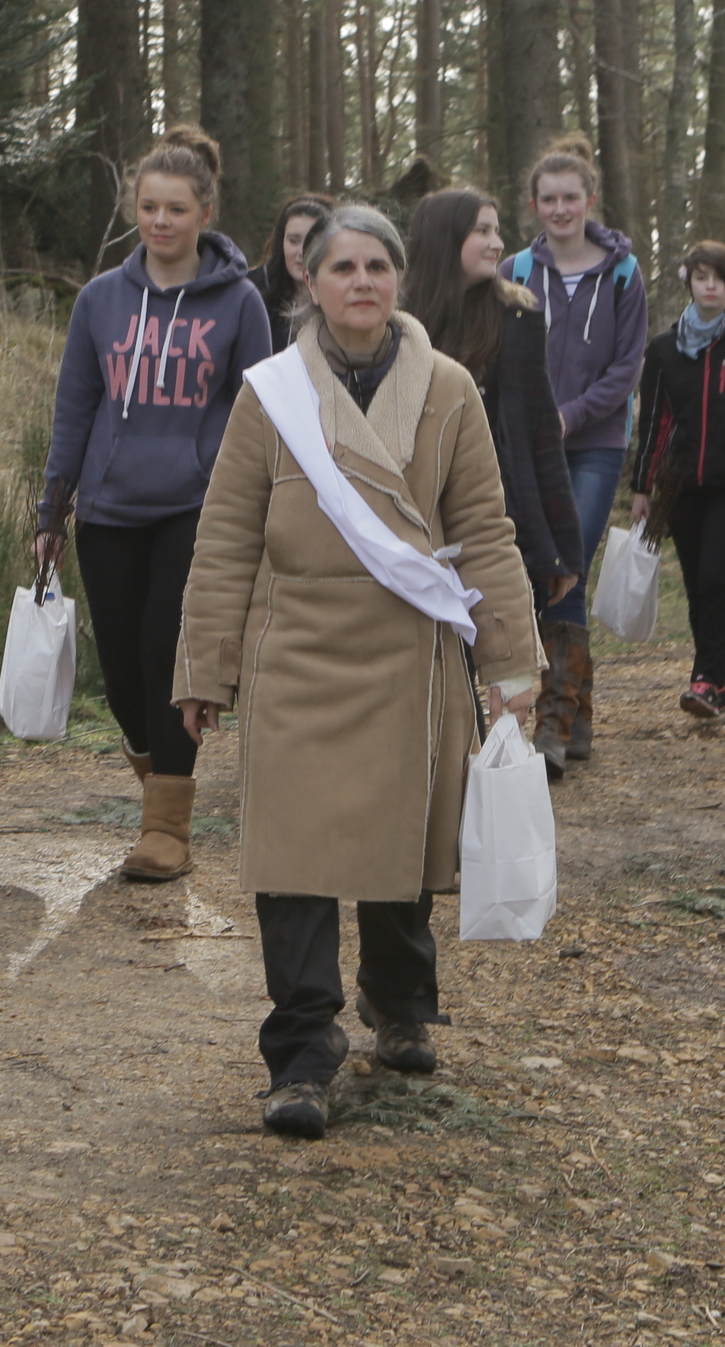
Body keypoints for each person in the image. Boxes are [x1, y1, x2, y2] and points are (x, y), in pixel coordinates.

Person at [172, 206, 540, 1140]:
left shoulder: (450, 389)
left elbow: (487, 533)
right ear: (311, 280)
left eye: (378, 265)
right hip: (294, 644)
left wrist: (511, 663)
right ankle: (301, 1051)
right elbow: (225, 537)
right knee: (290, 858)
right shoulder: (270, 393)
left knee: (397, 844)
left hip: (407, 647)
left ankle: (400, 996)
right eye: (344, 266)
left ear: (400, 279)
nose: (362, 281)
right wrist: (204, 666)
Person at [33, 127, 277, 881]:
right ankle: (160, 792)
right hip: (108, 509)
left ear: (205, 212)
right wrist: (52, 511)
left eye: (176, 208)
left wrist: (258, 511)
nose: (161, 221)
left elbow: (260, 410)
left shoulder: (239, 304)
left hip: (195, 510)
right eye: (148, 207)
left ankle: (167, 827)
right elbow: (75, 406)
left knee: (166, 658)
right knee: (122, 673)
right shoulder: (100, 301)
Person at [402, 186, 583, 770]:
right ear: (445, 239)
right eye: (481, 230)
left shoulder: (519, 315)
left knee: (493, 654)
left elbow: (539, 435)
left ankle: (485, 782)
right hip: (416, 521)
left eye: (496, 228)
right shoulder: (401, 322)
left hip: (499, 515)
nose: (497, 241)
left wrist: (561, 548)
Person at [504, 136, 647, 764]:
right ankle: (575, 712)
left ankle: (556, 724)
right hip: (526, 445)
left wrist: (571, 416)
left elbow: (627, 365)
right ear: (534, 205)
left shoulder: (622, 271)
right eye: (549, 199)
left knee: (567, 560)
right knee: (542, 566)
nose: (560, 209)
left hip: (593, 443)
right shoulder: (514, 272)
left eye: (571, 198)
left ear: (589, 200)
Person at [627, 240, 725, 718]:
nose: (709, 284)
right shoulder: (663, 350)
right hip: (680, 485)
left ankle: (707, 678)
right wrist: (642, 486)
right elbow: (652, 420)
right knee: (697, 584)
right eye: (701, 276)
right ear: (690, 282)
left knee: (716, 577)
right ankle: (714, 680)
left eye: (718, 277)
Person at [256, 193, 330, 332]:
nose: (302, 252)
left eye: (312, 241)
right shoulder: (253, 291)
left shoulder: (345, 296)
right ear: (281, 242)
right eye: (294, 241)